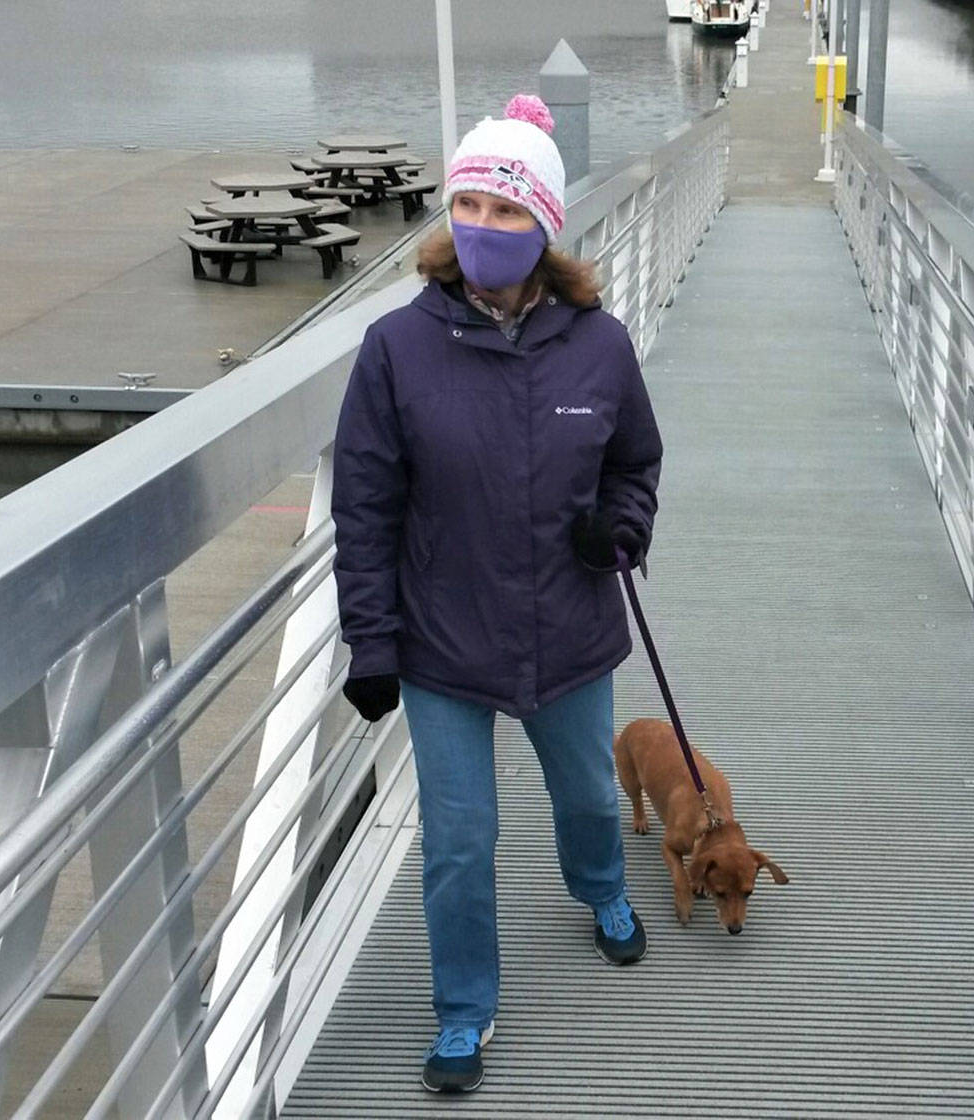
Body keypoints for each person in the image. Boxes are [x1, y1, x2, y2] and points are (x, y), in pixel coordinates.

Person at [329, 94, 664, 1095]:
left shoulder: (598, 346)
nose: (480, 224)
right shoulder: (395, 348)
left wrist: (622, 527)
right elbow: (365, 503)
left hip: (566, 629)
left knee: (589, 796)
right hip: (441, 644)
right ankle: (464, 1010)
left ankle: (599, 889)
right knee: (459, 837)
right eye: (466, 203)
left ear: (545, 228)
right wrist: (371, 643)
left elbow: (635, 463)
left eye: (505, 210)